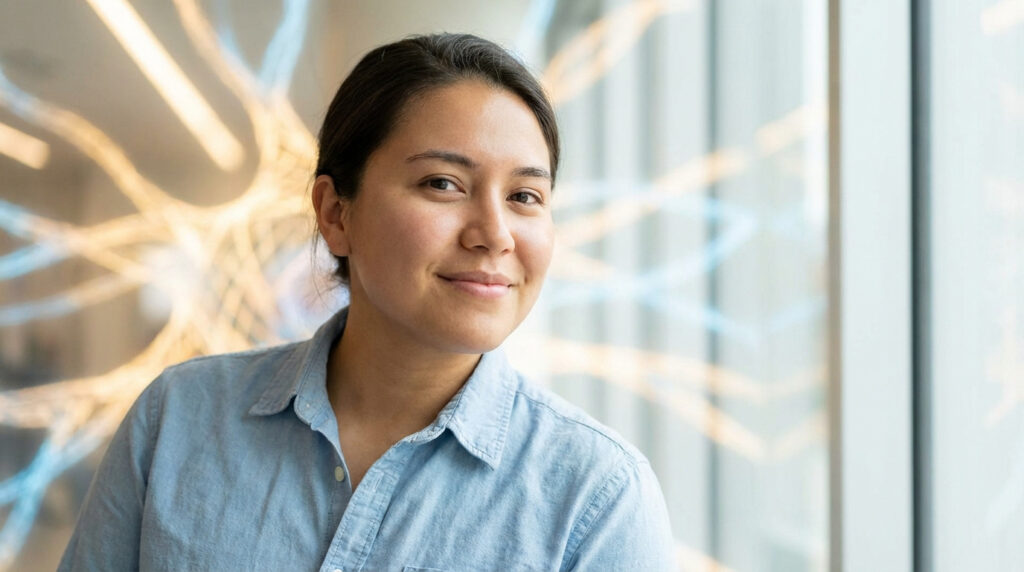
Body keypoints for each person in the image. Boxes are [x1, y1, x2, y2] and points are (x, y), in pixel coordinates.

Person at [59, 33, 675, 571]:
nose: (494, 233)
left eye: (525, 196)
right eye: (444, 184)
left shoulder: (597, 496)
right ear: (335, 213)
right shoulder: (178, 419)